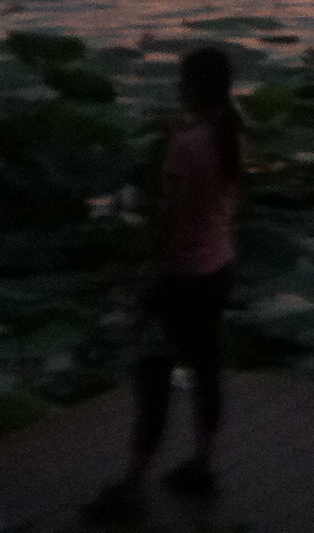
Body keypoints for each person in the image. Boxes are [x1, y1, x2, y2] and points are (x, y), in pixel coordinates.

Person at [85, 44, 244, 522]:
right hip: (219, 271)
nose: (176, 88)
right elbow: (218, 195)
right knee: (206, 370)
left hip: (180, 282)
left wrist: (146, 280)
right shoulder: (230, 134)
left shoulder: (186, 147)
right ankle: (203, 466)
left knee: (153, 379)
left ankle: (133, 488)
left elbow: (170, 222)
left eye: (181, 81)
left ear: (192, 88)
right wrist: (184, 134)